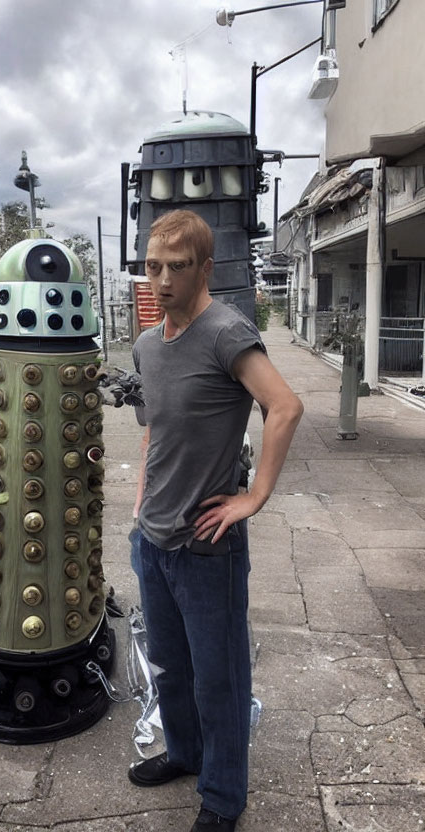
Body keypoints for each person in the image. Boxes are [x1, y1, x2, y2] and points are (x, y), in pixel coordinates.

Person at [128, 210, 303, 832]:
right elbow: (155, 428)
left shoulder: (227, 332)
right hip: (153, 541)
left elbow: (284, 407)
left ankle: (223, 797)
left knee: (219, 679)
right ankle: (183, 754)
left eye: (178, 267)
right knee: (170, 666)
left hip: (208, 547)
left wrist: (251, 497)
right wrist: (142, 499)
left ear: (207, 268)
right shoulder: (149, 344)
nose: (164, 280)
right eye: (154, 267)